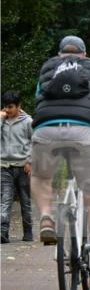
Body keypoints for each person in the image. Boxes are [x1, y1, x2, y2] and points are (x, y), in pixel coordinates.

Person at [30, 35, 90, 286]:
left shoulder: (48, 68)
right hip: (85, 133)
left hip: (46, 131)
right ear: (84, 53)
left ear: (60, 53)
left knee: (40, 175)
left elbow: (39, 104)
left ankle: (47, 217)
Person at [1, 91, 33, 243]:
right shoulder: (2, 121)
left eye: (10, 107)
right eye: (5, 107)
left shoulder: (28, 122)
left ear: (19, 106)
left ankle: (28, 232)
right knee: (5, 200)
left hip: (22, 167)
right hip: (4, 166)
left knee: (25, 201)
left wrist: (30, 161)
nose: (7, 110)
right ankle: (3, 232)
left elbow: (35, 142)